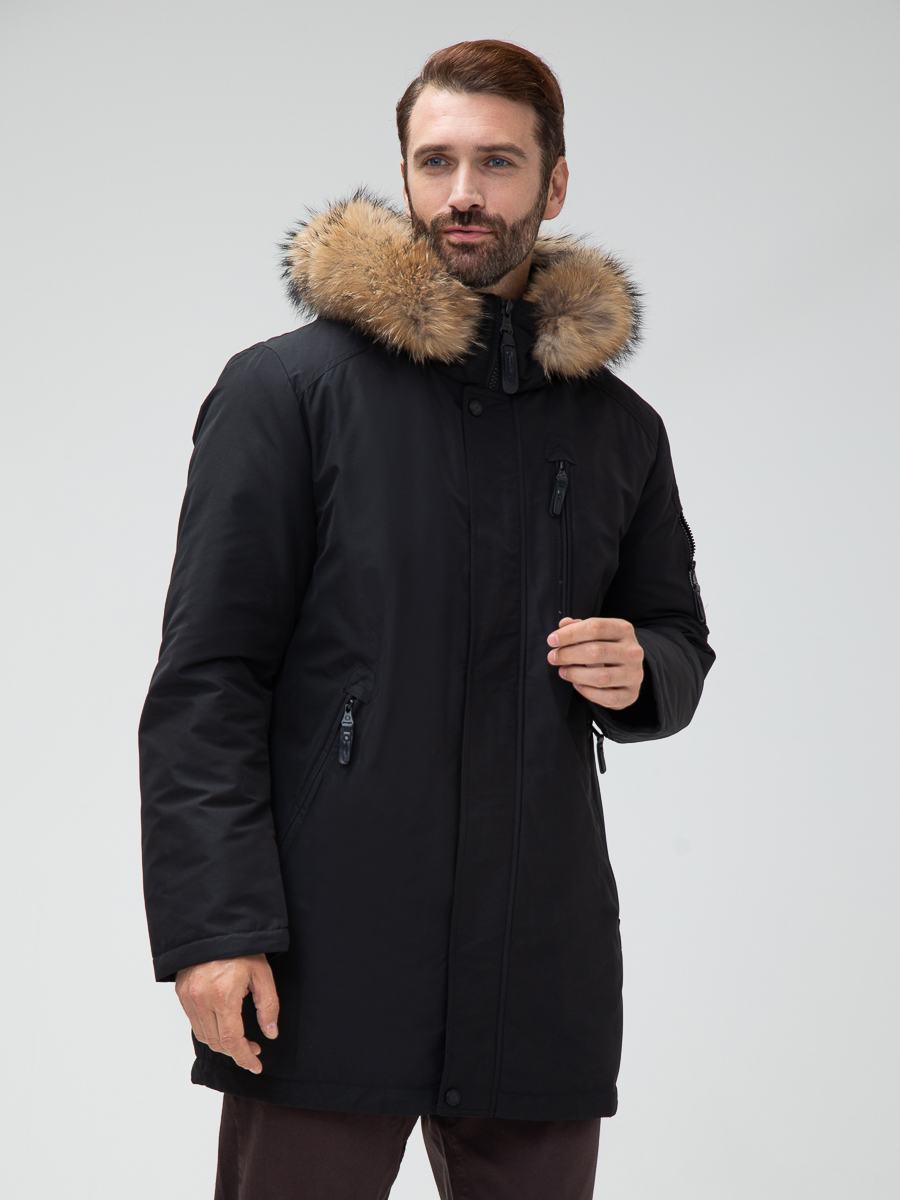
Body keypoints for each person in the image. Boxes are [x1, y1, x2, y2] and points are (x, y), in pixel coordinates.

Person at [140, 38, 714, 1200]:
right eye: (436, 161)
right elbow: (209, 679)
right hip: (329, 951)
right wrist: (214, 927)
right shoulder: (288, 392)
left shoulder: (619, 428)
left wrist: (644, 665)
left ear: (553, 183)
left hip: (538, 963)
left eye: (497, 162)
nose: (464, 192)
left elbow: (675, 632)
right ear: (403, 174)